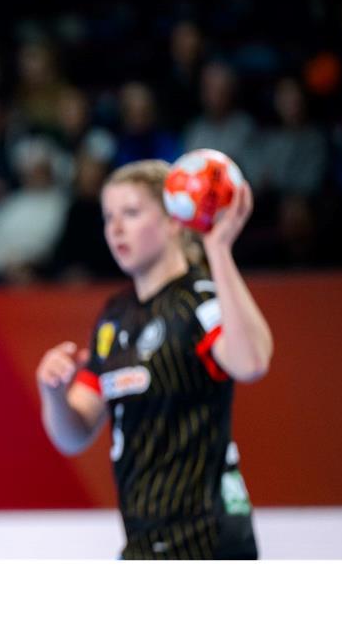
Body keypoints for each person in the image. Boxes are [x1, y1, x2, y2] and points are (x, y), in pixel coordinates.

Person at [35, 159, 273, 559]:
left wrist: (218, 250)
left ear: (174, 221)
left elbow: (252, 363)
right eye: (108, 216)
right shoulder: (114, 317)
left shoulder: (199, 298)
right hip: (144, 542)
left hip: (207, 540)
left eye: (131, 213)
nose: (115, 228)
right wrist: (53, 392)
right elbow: (74, 434)